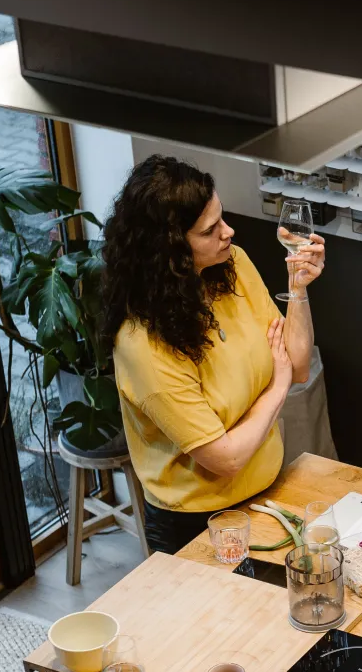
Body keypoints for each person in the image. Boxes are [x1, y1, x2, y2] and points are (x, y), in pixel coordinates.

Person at [104, 155, 325, 555]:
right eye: (210, 230)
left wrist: (298, 286)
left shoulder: (232, 265)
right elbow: (225, 460)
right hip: (197, 524)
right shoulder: (144, 346)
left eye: (222, 218)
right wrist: (277, 385)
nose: (229, 232)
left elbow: (299, 364)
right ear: (168, 250)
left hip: (269, 493)